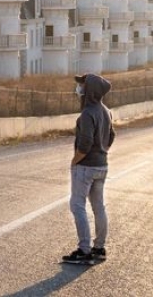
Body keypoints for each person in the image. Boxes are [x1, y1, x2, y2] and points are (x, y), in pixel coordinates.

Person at [62, 73, 115, 264]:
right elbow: (111, 136)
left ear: (90, 89)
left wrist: (74, 161)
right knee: (98, 206)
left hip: (85, 166)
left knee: (77, 205)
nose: (79, 88)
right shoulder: (106, 111)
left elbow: (85, 144)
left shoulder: (87, 113)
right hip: (102, 165)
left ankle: (84, 250)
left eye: (82, 84)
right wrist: (101, 151)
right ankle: (99, 248)